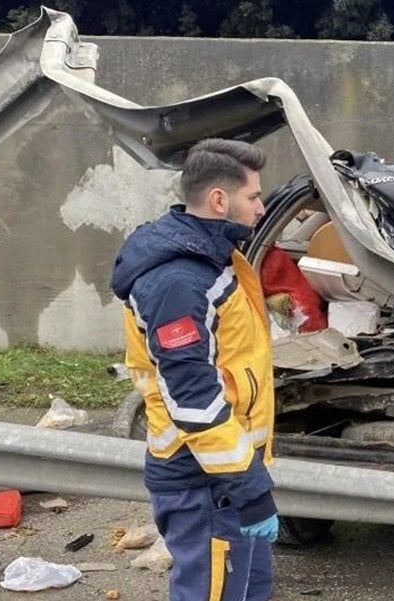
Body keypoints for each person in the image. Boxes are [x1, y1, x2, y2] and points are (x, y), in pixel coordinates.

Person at [110, 138, 278, 599]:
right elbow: (193, 397)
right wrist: (247, 485)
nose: (262, 208)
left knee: (246, 589)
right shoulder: (178, 281)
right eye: (253, 196)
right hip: (204, 480)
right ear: (219, 200)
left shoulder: (215, 256)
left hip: (226, 473)